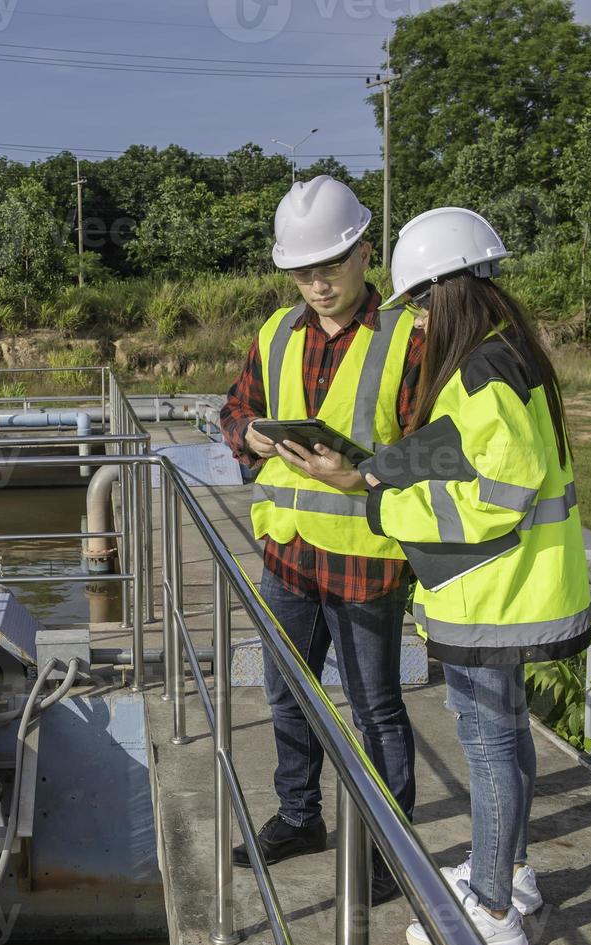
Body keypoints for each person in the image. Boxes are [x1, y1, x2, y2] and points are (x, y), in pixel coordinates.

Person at [296, 207, 591, 945]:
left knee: (488, 745)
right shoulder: (503, 353)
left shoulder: (481, 368)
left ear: (447, 293)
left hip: (492, 594)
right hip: (512, 589)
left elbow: (499, 490)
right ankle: (511, 872)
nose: (418, 324)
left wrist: (381, 502)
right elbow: (448, 447)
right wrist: (368, 467)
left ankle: (491, 909)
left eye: (421, 306)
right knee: (505, 740)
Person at [218, 175, 424, 903]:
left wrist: (362, 474)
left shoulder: (407, 337)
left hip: (367, 559)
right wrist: (248, 433)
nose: (315, 282)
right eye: (301, 270)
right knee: (287, 696)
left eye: (329, 266)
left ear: (364, 253)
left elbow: (437, 448)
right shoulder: (276, 334)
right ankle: (300, 817)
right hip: (287, 552)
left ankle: (387, 847)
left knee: (375, 709)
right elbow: (236, 409)